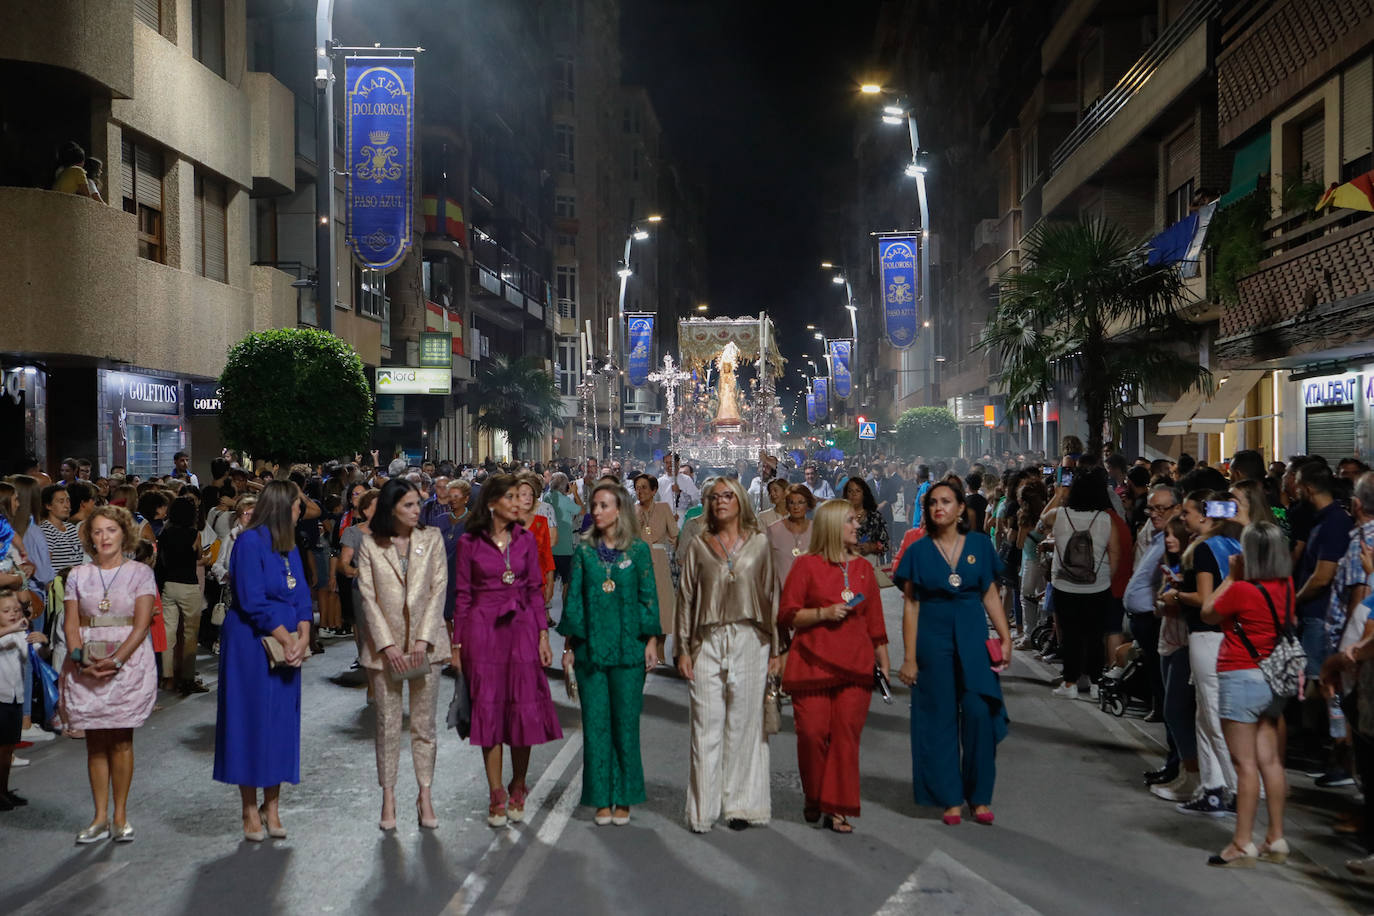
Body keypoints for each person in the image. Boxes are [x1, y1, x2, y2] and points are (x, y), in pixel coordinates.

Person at [895, 481, 1012, 825]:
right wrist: (909, 657)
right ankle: (949, 797)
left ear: (961, 508)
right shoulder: (918, 550)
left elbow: (990, 593)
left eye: (946, 501)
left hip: (973, 638)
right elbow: (911, 607)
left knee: (978, 712)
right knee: (938, 718)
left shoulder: (978, 544)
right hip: (933, 640)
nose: (938, 508)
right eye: (932, 502)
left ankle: (979, 796)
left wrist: (1005, 637)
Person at [452, 474, 562, 828]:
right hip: (482, 635)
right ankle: (496, 791)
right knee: (489, 712)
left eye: (521, 497)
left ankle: (518, 782)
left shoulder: (527, 540)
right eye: (511, 497)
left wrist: (543, 636)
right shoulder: (470, 542)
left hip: (522, 633)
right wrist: (457, 643)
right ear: (492, 503)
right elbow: (463, 595)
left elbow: (533, 590)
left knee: (522, 710)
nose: (519, 503)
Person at [675, 476, 781, 832]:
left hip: (751, 637)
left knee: (745, 725)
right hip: (707, 640)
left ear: (740, 502)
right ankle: (703, 811)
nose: (722, 501)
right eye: (716, 496)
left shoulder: (760, 544)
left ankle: (741, 806)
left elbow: (773, 595)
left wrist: (777, 648)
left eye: (728, 495)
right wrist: (684, 649)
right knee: (705, 725)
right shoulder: (698, 545)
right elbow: (686, 598)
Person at [778, 499, 889, 833]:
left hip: (855, 666)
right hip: (812, 664)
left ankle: (837, 806)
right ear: (831, 527)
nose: (857, 527)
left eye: (857, 522)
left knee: (845, 738)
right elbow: (787, 614)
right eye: (850, 522)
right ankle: (815, 796)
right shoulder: (807, 566)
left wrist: (884, 662)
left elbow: (874, 621)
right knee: (811, 734)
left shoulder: (864, 570)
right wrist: (822, 614)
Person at [213, 481, 313, 842]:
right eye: (298, 505)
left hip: (287, 642)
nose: (301, 511)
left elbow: (302, 592)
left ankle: (273, 807)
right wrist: (287, 639)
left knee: (280, 723)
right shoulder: (249, 542)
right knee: (249, 722)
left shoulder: (288, 546)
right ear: (283, 507)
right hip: (251, 645)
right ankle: (249, 808)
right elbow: (251, 598)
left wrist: (303, 634)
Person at [557, 482, 659, 825]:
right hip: (592, 651)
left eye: (603, 506)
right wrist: (570, 647)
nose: (596, 512)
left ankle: (624, 796)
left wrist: (652, 641)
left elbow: (649, 596)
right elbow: (575, 601)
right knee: (596, 726)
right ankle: (601, 797)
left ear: (620, 510)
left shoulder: (639, 551)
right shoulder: (585, 552)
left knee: (625, 726)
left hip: (629, 650)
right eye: (594, 506)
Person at [355, 478, 450, 830]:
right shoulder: (370, 545)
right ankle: (389, 796)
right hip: (385, 652)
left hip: (427, 646)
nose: (416, 510)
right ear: (390, 508)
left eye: (417, 504)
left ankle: (425, 795)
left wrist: (423, 640)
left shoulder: (432, 538)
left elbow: (439, 589)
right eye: (408, 505)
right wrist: (388, 645)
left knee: (424, 726)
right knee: (387, 725)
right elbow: (367, 597)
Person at [1198, 521, 1294, 867]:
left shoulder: (1242, 589)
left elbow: (1209, 611)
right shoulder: (1286, 586)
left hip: (1239, 676)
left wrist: (1232, 576)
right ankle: (1276, 836)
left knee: (1245, 765)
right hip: (1273, 678)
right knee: (1271, 760)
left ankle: (1242, 842)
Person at [61, 506, 157, 843]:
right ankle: (99, 817)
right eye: (97, 531)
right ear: (89, 536)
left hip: (127, 663)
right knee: (95, 743)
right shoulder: (78, 575)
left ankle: (120, 816)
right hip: (86, 661)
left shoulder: (140, 574)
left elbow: (143, 624)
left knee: (120, 739)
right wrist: (78, 657)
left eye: (110, 531)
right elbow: (71, 623)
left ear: (124, 534)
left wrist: (116, 661)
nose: (104, 538)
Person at [1158, 490, 1243, 816]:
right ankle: (1213, 787)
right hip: (1223, 636)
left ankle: (1231, 790)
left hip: (1208, 637)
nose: (1184, 518)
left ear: (1206, 516)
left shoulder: (1206, 548)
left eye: (1190, 512)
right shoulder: (1233, 544)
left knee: (1211, 716)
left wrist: (1177, 595)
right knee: (1205, 717)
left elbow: (1206, 599)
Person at [1048, 467, 1119, 698]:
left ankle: (1070, 683)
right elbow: (1115, 555)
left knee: (1070, 635)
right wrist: (1105, 578)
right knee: (1095, 635)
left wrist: (1058, 495)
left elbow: (1041, 519)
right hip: (1097, 586)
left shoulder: (1059, 514)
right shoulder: (1106, 519)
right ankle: (1096, 683)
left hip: (1064, 585)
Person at [156, 495, 209, 695]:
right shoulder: (195, 534)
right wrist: (205, 558)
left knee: (168, 633)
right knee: (190, 635)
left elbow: (161, 561)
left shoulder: (165, 533)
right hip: (189, 586)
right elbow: (199, 558)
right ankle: (187, 678)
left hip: (169, 585)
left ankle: (167, 677)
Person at [0, 588, 42, 810]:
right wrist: (13, 628)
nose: (13, 614)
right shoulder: (10, 632)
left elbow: (32, 654)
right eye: (6, 610)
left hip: (15, 697)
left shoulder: (18, 634)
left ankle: (4, 790)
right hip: (1, 698)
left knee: (8, 750)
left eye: (16, 610)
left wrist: (40, 640)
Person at [632, 474, 677, 661]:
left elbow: (674, 535)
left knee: (663, 605)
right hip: (639, 562)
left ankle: (660, 647)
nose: (640, 491)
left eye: (644, 487)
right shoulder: (632, 511)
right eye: (637, 487)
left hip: (659, 560)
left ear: (654, 490)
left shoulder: (664, 508)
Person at [767, 483, 815, 590]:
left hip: (810, 594)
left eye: (801, 502)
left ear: (808, 504)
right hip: (781, 593)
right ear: (787, 505)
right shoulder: (773, 530)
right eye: (791, 502)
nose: (796, 507)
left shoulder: (817, 530)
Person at [843, 476, 890, 565]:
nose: (853, 494)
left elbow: (885, 546)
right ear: (846, 494)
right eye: (850, 491)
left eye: (858, 491)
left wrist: (872, 547)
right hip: (843, 565)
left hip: (868, 564)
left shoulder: (875, 517)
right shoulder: (839, 516)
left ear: (864, 494)